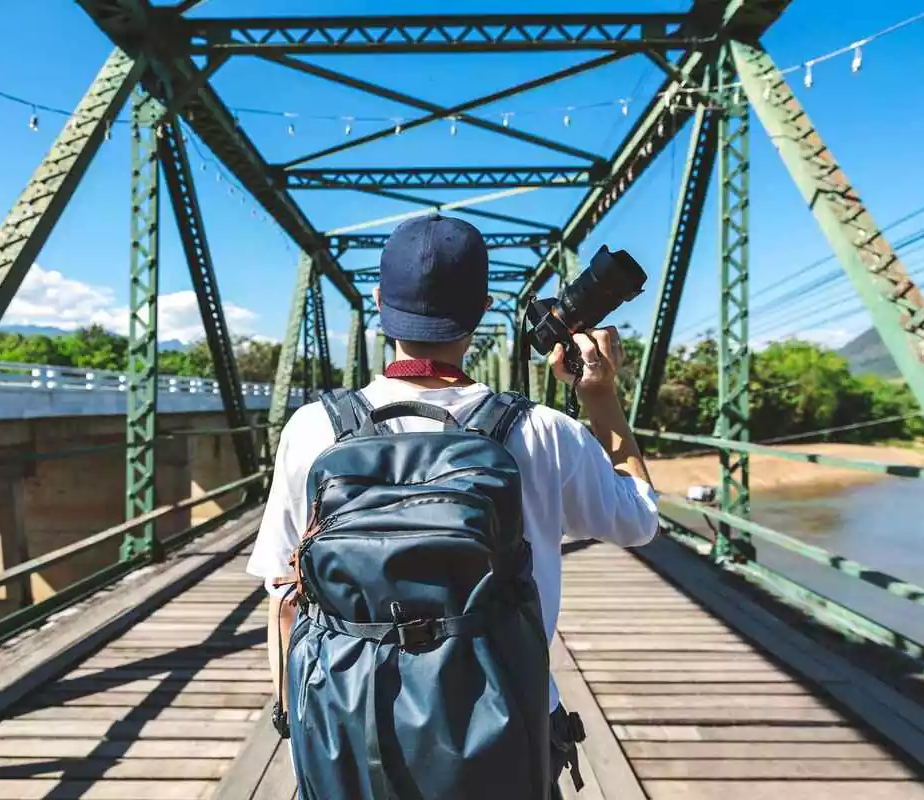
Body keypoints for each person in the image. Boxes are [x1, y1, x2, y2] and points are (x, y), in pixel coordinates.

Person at [246, 213, 659, 797]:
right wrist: (600, 394)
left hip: (349, 735)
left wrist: (300, 727)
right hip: (504, 729)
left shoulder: (314, 428)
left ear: (379, 299)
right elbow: (640, 519)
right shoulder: (542, 430)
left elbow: (286, 599)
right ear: (484, 306)